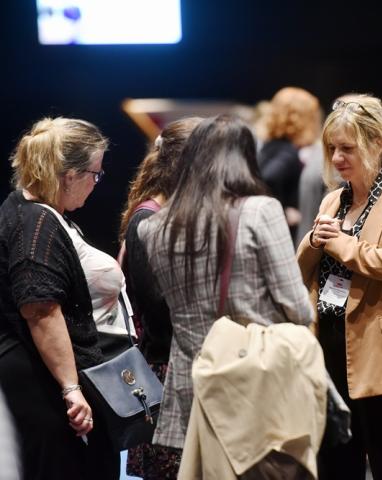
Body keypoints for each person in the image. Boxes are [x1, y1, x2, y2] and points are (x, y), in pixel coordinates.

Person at [137, 115, 314, 470]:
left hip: (191, 384)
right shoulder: (261, 211)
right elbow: (298, 308)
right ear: (247, 157)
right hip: (255, 382)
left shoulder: (153, 228)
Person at [297, 93, 382, 480]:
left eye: (347, 148)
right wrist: (314, 242)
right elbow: (301, 270)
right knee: (336, 466)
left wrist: (340, 243)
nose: (337, 158)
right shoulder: (331, 201)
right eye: (332, 148)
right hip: (330, 346)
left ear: (376, 144)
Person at [0, 117, 119, 479]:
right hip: (40, 380)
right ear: (69, 176)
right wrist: (71, 388)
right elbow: (41, 310)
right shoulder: (36, 223)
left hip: (34, 374)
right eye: (95, 174)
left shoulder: (25, 209)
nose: (96, 183)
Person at [119, 117, 202, 479]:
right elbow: (159, 310)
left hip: (184, 366)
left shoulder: (173, 215)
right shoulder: (147, 221)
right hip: (166, 374)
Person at [258, 86, 321, 238]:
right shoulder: (288, 152)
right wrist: (283, 212)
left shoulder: (270, 146)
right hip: (280, 234)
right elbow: (269, 178)